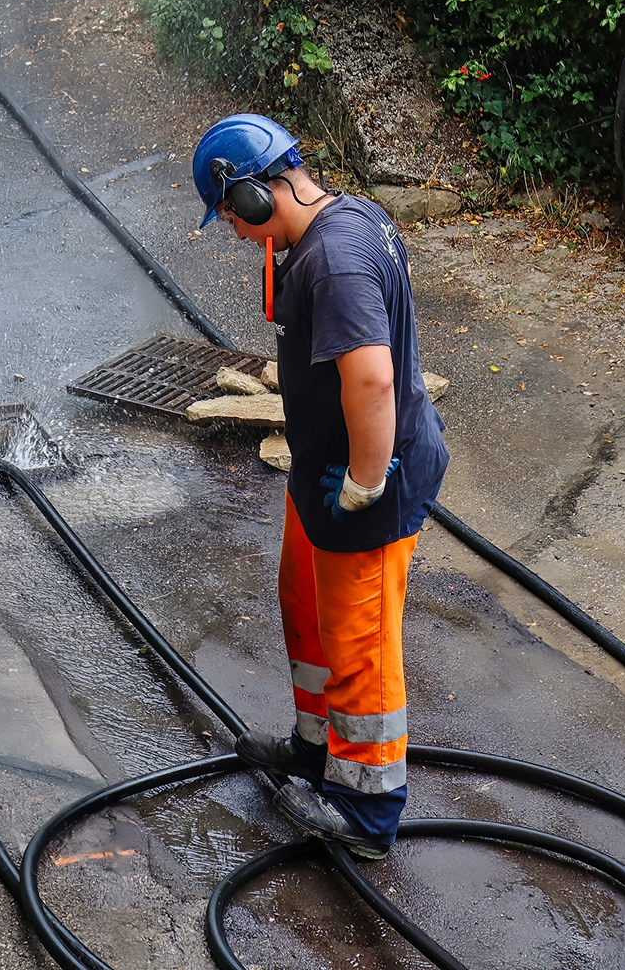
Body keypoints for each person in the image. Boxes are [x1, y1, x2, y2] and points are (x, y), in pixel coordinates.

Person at [192, 114, 449, 860]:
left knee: (360, 638)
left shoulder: (334, 260)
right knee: (303, 602)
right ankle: (316, 751)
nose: (235, 233)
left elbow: (371, 380)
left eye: (230, 216)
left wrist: (366, 485)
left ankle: (367, 812)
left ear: (251, 193)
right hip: (324, 475)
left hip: (368, 481)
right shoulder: (324, 233)